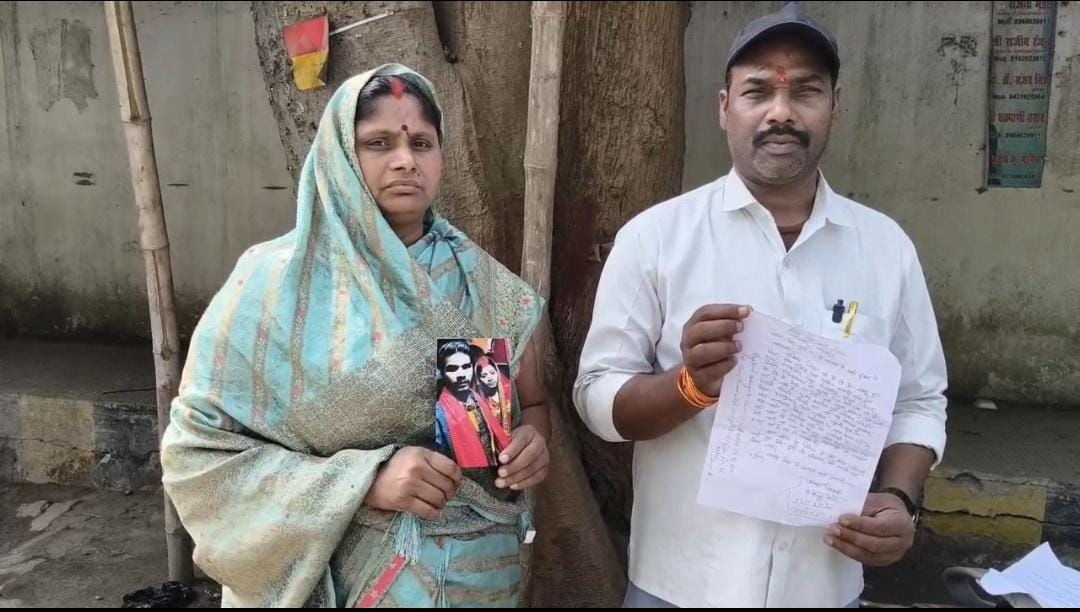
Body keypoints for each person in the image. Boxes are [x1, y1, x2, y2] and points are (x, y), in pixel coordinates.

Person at [573, 4, 947, 608]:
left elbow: (918, 400)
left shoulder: (886, 249)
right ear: (725, 107)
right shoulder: (656, 239)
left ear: (835, 106)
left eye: (805, 92)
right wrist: (689, 386)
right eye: (757, 92)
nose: (781, 112)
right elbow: (597, 400)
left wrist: (900, 498)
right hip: (680, 585)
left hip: (823, 586)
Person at [160, 64, 551, 608]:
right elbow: (198, 454)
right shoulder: (272, 286)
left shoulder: (483, 286)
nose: (405, 160)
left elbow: (531, 404)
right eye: (378, 143)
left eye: (421, 143)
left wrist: (533, 441)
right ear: (340, 154)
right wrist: (363, 482)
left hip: (481, 580)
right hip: (344, 582)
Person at [434, 340, 510, 469]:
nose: (461, 375)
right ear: (442, 373)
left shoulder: (476, 397)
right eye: (452, 369)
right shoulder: (439, 414)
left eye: (466, 367)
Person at [475, 352, 514, 434]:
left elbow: (518, 416)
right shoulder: (478, 401)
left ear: (497, 372)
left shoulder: (510, 389)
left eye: (492, 373)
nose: (490, 378)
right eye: (484, 376)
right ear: (479, 380)